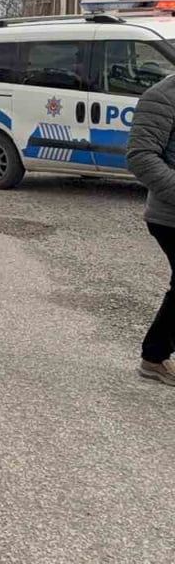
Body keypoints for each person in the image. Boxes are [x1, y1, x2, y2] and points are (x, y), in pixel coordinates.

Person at [126, 72, 175, 386]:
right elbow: (140, 157)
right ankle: (153, 358)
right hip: (170, 216)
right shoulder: (163, 95)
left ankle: (154, 357)